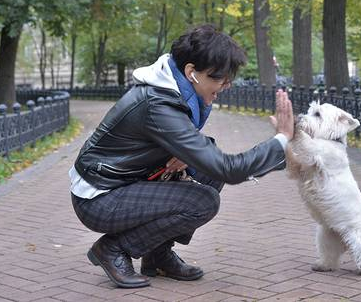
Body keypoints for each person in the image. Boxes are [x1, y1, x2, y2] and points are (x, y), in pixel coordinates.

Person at [70, 24, 294, 288]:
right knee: (203, 200)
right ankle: (113, 248)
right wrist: (281, 141)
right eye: (220, 79)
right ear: (192, 73)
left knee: (207, 174)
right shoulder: (159, 104)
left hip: (127, 182)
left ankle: (157, 254)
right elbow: (228, 169)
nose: (224, 86)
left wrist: (187, 154)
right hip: (99, 198)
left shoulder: (173, 92)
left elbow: (207, 158)